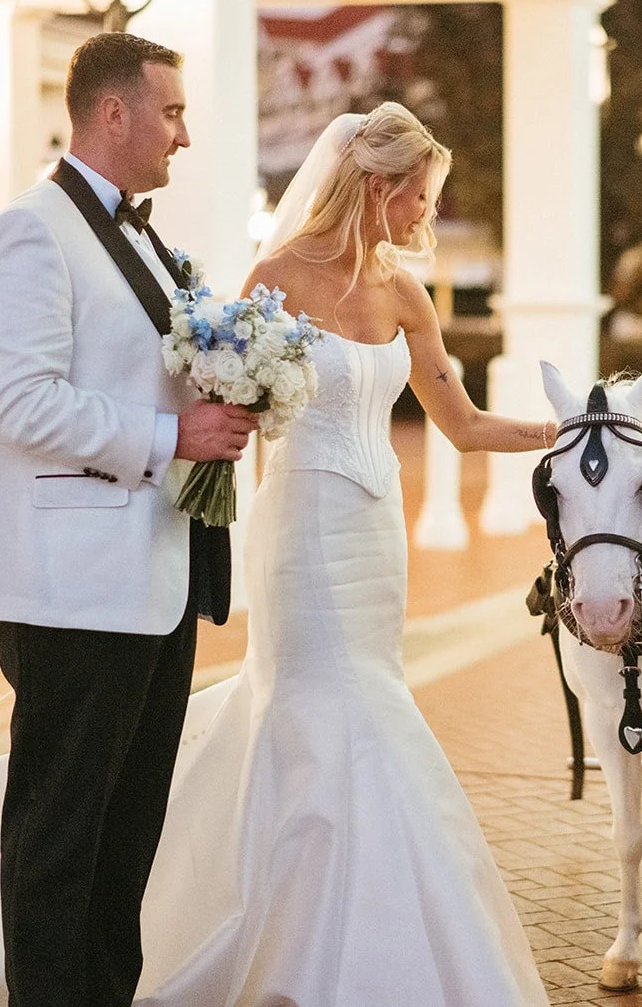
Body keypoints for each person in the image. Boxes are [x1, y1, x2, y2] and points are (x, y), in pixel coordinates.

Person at [130, 102, 554, 1006]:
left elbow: (466, 425)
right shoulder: (272, 277)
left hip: (374, 532)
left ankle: (362, 934)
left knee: (370, 692)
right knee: (328, 712)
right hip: (302, 527)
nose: (425, 218)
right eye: (420, 199)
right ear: (380, 185)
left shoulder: (406, 291)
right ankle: (304, 949)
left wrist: (567, 428)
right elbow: (226, 403)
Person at [0, 31, 259, 1006]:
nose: (183, 135)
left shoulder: (141, 236)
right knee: (61, 843)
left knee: (123, 843)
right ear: (114, 112)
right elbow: (18, 403)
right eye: (171, 112)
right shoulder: (29, 232)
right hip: (71, 586)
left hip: (154, 578)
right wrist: (173, 435)